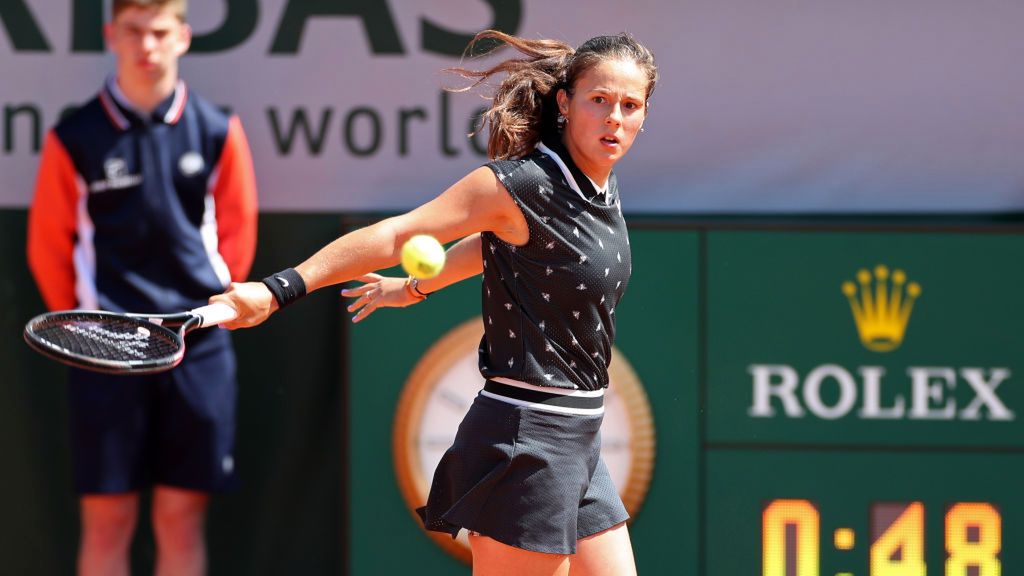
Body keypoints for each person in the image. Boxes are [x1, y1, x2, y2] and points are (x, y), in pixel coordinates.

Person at [213, 29, 655, 576]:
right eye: (600, 100)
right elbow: (399, 234)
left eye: (630, 106)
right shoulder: (520, 185)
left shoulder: (597, 187)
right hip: (528, 441)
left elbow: (503, 247)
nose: (614, 117)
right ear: (565, 103)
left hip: (581, 438)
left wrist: (416, 286)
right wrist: (278, 289)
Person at [26, 0, 258, 574]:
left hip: (197, 348)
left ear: (182, 37)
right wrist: (88, 335)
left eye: (159, 32)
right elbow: (49, 249)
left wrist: (208, 316)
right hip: (104, 352)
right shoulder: (74, 137)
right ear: (111, 35)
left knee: (181, 518)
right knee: (108, 521)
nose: (146, 46)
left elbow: (237, 237)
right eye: (134, 31)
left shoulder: (216, 129)